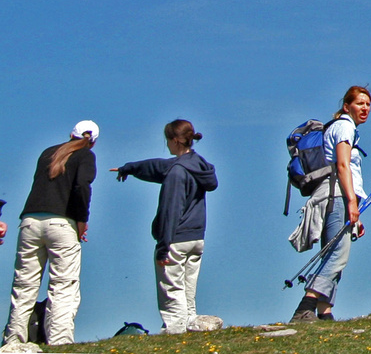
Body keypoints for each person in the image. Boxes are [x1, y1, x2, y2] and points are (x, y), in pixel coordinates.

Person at [110, 119, 219, 334]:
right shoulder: (197, 164)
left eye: (168, 140)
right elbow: (156, 166)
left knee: (172, 290)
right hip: (196, 238)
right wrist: (129, 168)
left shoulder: (176, 174)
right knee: (188, 289)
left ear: (176, 140)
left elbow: (171, 211)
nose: (166, 145)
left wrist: (162, 247)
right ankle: (191, 327)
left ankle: (175, 332)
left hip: (176, 239)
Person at [3, 121, 97, 347]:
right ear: (93, 141)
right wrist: (82, 221)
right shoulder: (86, 155)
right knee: (63, 284)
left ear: (70, 134)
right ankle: (59, 342)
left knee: (24, 285)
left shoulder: (48, 152)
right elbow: (81, 187)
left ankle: (13, 342)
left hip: (30, 221)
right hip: (62, 223)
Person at [292, 85, 371, 322]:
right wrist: (351, 202)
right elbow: (343, 165)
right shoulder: (345, 127)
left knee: (331, 253)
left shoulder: (339, 127)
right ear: (347, 106)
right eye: (360, 103)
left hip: (333, 195)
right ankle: (305, 307)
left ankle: (324, 313)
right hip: (338, 196)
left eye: (368, 104)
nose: (365, 108)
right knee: (338, 254)